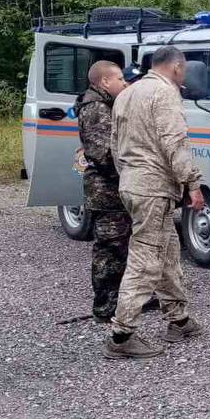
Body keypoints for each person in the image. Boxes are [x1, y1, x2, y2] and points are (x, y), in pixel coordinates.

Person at [106, 46, 206, 358]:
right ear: (176, 68)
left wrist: (128, 176)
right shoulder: (165, 94)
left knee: (167, 252)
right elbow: (175, 142)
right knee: (147, 258)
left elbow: (114, 144)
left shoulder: (127, 93)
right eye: (184, 70)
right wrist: (192, 184)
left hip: (134, 183)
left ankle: (179, 319)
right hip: (153, 186)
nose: (184, 75)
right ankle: (121, 335)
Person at [77, 60, 130, 321]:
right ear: (105, 82)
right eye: (120, 78)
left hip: (113, 190)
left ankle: (121, 300)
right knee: (109, 249)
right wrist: (132, 172)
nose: (124, 83)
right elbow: (104, 155)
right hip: (105, 191)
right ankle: (105, 307)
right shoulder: (96, 108)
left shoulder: (106, 104)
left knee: (122, 247)